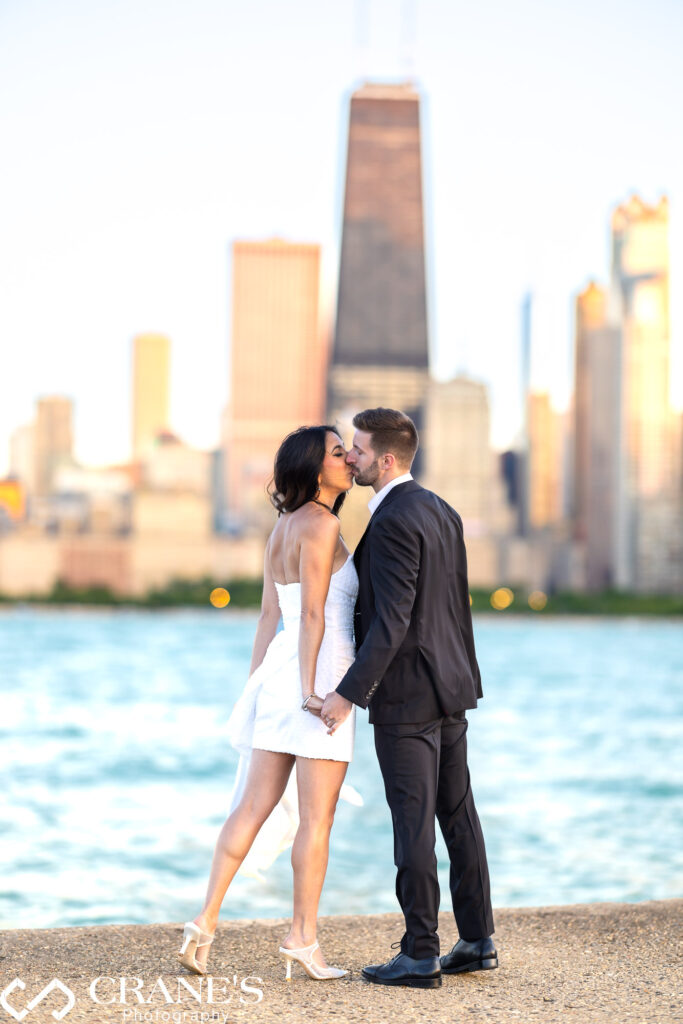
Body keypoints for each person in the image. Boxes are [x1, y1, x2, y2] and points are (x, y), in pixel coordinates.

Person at [321, 407, 496, 989]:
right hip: (451, 688)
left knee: (414, 825)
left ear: (386, 459)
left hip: (409, 696)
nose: (351, 457)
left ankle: (421, 951)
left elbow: (392, 621)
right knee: (458, 814)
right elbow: (454, 608)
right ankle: (476, 939)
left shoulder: (394, 518)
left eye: (359, 449)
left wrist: (348, 693)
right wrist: (464, 678)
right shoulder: (441, 509)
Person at [178, 425, 357, 981]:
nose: (348, 457)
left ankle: (203, 924)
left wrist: (258, 687)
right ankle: (303, 938)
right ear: (315, 466)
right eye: (336, 452)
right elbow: (311, 615)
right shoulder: (323, 524)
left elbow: (266, 619)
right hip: (319, 676)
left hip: (277, 674)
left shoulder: (281, 527)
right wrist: (312, 690)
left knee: (250, 807)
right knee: (316, 820)